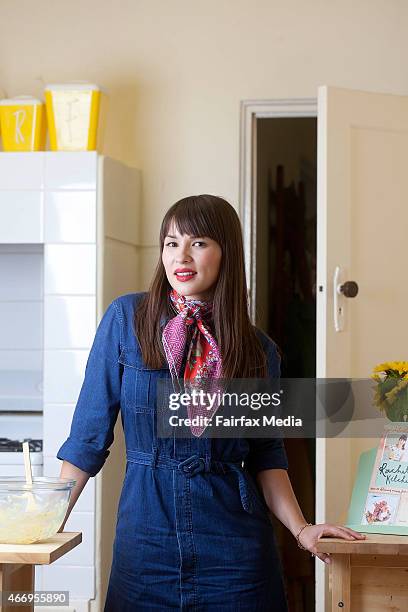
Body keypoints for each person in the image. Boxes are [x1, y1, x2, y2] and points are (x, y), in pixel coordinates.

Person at [57, 195, 365, 611]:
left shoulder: (258, 351)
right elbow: (86, 440)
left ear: (226, 253)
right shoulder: (126, 319)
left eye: (198, 242)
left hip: (234, 552)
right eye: (171, 243)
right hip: (146, 542)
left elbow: (266, 456)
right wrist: (47, 523)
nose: (181, 256)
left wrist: (301, 529)